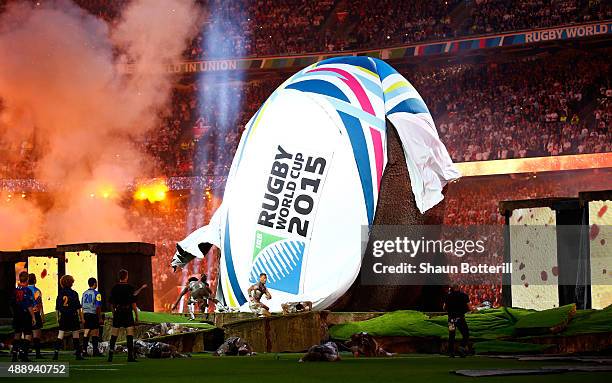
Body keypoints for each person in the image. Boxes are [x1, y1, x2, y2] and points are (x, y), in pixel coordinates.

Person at [108, 269, 139, 362]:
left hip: (118, 311)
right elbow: (133, 303)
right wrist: (136, 315)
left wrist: (114, 313)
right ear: (126, 276)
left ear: (119, 277)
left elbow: (111, 303)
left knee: (114, 335)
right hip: (127, 312)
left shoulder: (115, 288)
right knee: (129, 334)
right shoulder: (130, 288)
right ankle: (130, 356)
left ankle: (110, 355)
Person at [53, 275, 85, 361]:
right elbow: (78, 308)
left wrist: (57, 318)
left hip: (64, 316)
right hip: (73, 316)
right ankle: (78, 354)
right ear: (71, 283)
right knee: (75, 334)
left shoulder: (60, 293)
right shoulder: (74, 293)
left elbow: (57, 307)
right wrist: (81, 318)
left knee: (60, 334)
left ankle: (56, 353)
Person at [10, 271, 36, 362]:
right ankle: (23, 354)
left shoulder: (15, 290)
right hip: (25, 314)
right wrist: (33, 316)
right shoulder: (27, 290)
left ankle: (14, 354)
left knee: (17, 334)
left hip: (17, 315)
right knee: (28, 334)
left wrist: (14, 314)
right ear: (27, 279)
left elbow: (11, 304)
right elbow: (29, 305)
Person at [443, 285, 472, 357]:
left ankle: (451, 352)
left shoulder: (448, 296)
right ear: (458, 288)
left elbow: (444, 307)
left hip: (451, 319)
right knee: (466, 334)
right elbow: (469, 307)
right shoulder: (464, 295)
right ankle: (461, 347)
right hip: (460, 319)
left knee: (451, 335)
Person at [81, 277, 103, 356]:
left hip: (86, 314)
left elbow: (82, 306)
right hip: (93, 314)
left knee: (86, 332)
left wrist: (82, 317)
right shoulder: (98, 294)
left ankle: (84, 351)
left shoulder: (84, 293)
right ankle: (95, 351)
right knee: (95, 332)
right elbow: (98, 307)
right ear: (94, 284)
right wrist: (99, 317)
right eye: (96, 283)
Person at [27, 273, 44, 359]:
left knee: (27, 334)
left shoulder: (24, 289)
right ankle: (38, 354)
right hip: (35, 313)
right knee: (36, 334)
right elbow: (39, 303)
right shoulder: (37, 291)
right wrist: (42, 315)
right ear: (35, 280)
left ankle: (24, 353)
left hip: (26, 314)